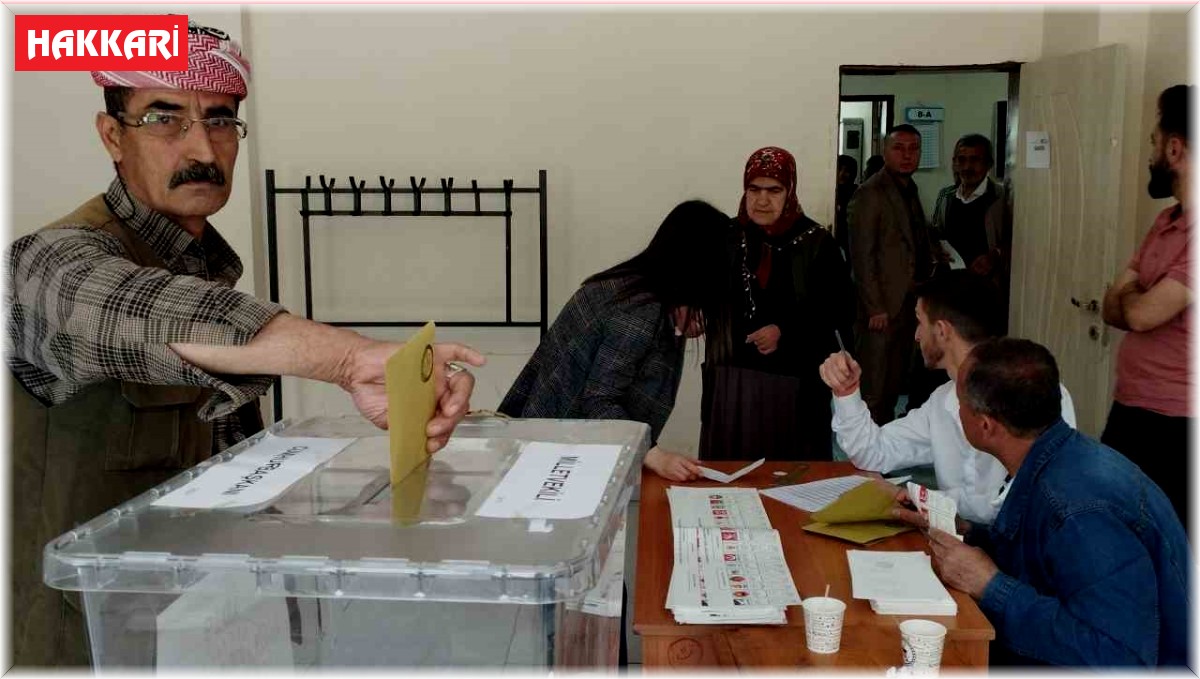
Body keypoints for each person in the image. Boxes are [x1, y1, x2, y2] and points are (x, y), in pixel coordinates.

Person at [6, 23, 484, 667]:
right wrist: (346, 359)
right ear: (112, 135)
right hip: (94, 647)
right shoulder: (49, 263)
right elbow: (137, 311)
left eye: (220, 120)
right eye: (164, 117)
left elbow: (226, 475)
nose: (201, 147)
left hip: (209, 628)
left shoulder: (205, 268)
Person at [928, 338, 1189, 667]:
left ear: (985, 424)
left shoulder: (1080, 510)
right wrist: (970, 533)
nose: (957, 409)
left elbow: (1118, 657)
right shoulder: (1062, 457)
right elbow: (1048, 561)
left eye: (960, 401)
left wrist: (992, 587)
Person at [500, 200, 737, 482]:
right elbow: (599, 401)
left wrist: (681, 321)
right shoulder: (639, 311)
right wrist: (654, 455)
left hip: (545, 439)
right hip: (559, 455)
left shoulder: (630, 287)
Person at [817, 270, 1076, 524]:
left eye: (919, 322)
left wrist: (917, 497)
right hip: (952, 543)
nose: (916, 335)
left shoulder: (1040, 391)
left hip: (1017, 558)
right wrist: (847, 392)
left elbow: (1021, 504)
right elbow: (872, 452)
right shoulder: (942, 400)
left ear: (942, 330)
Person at [699, 147, 855, 461]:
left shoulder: (816, 243)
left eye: (774, 190)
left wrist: (785, 329)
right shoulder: (729, 236)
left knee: (789, 473)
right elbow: (707, 289)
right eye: (753, 189)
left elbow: (839, 310)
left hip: (794, 383)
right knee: (731, 468)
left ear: (790, 191)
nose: (762, 200)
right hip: (733, 379)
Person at [1101, 84, 1192, 532]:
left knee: (1169, 539)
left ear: (1174, 148)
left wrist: (1133, 298)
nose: (1150, 154)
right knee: (1113, 521)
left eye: (1154, 143)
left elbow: (1136, 313)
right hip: (1133, 407)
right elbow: (1111, 305)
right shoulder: (1166, 220)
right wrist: (1134, 299)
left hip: (1178, 421)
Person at [847, 125, 939, 424]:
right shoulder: (871, 193)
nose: (907, 155)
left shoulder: (909, 189)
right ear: (884, 151)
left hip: (909, 302)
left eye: (914, 148)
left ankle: (885, 452)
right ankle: (867, 460)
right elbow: (862, 256)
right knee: (875, 386)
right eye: (899, 148)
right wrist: (875, 306)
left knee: (894, 383)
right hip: (882, 308)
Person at [929, 134, 1013, 330]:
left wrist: (995, 256)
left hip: (987, 291)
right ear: (954, 163)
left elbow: (1017, 242)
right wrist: (934, 248)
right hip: (951, 289)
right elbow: (936, 231)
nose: (967, 167)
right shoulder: (946, 196)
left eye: (975, 160)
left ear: (989, 163)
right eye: (962, 160)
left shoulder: (1002, 199)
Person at [833, 154, 859, 258]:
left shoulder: (857, 194)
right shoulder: (830, 193)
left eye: (847, 170)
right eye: (839, 169)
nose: (842, 174)